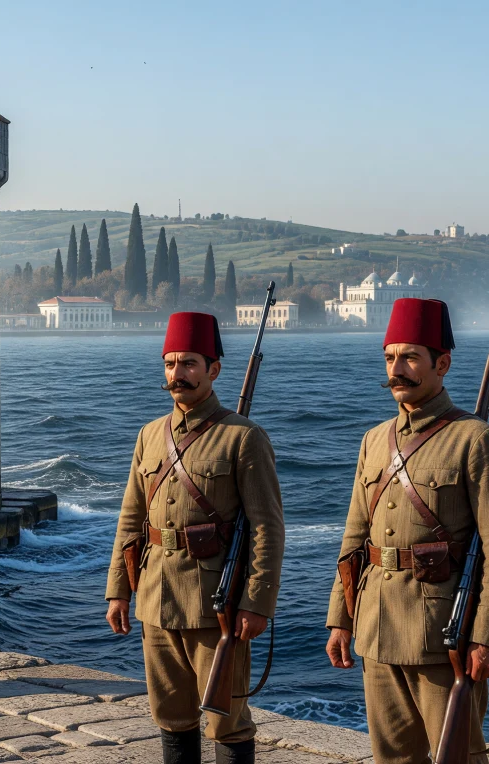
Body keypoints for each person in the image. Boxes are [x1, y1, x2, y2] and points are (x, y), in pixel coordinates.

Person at [325, 298, 489, 763]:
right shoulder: (374, 440)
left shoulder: (477, 440)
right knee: (392, 758)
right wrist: (341, 618)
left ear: (443, 364)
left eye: (410, 357)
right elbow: (355, 538)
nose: (397, 369)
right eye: (390, 357)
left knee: (458, 757)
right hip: (376, 628)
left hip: (442, 634)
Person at [105, 312, 285, 764]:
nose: (177, 374)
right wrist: (119, 590)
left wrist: (257, 602)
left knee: (227, 720)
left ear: (213, 369)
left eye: (188, 363)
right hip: (155, 596)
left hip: (214, 603)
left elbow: (266, 527)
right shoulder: (150, 435)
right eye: (170, 364)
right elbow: (131, 519)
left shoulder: (243, 437)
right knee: (170, 715)